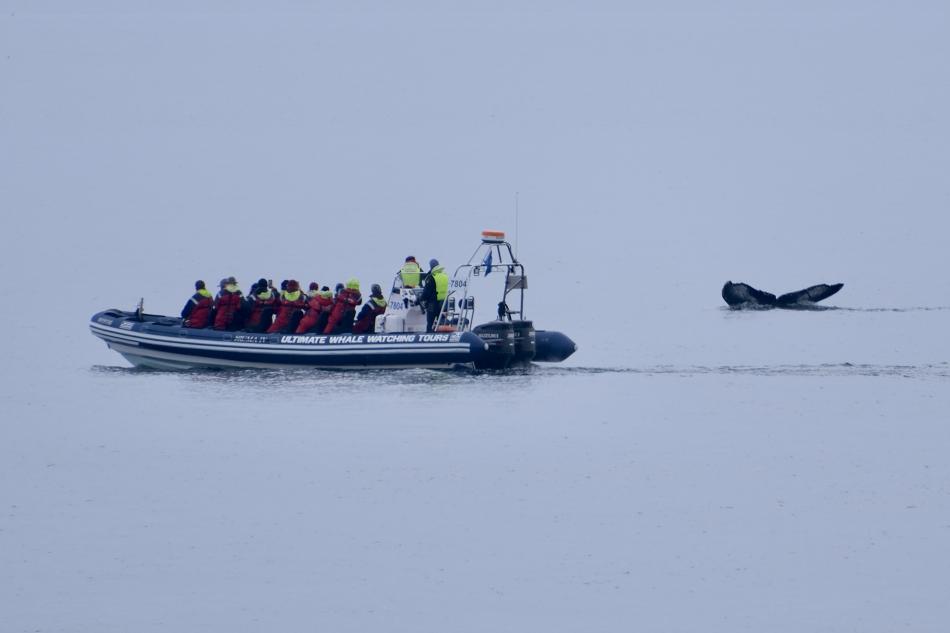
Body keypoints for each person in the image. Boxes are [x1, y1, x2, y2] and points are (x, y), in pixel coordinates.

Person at [421, 258, 448, 332]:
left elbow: (426, 293)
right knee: (442, 323)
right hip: (444, 304)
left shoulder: (431, 277)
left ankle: (429, 338)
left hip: (433, 304)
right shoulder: (445, 276)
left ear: (431, 267)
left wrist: (419, 300)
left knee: (430, 323)